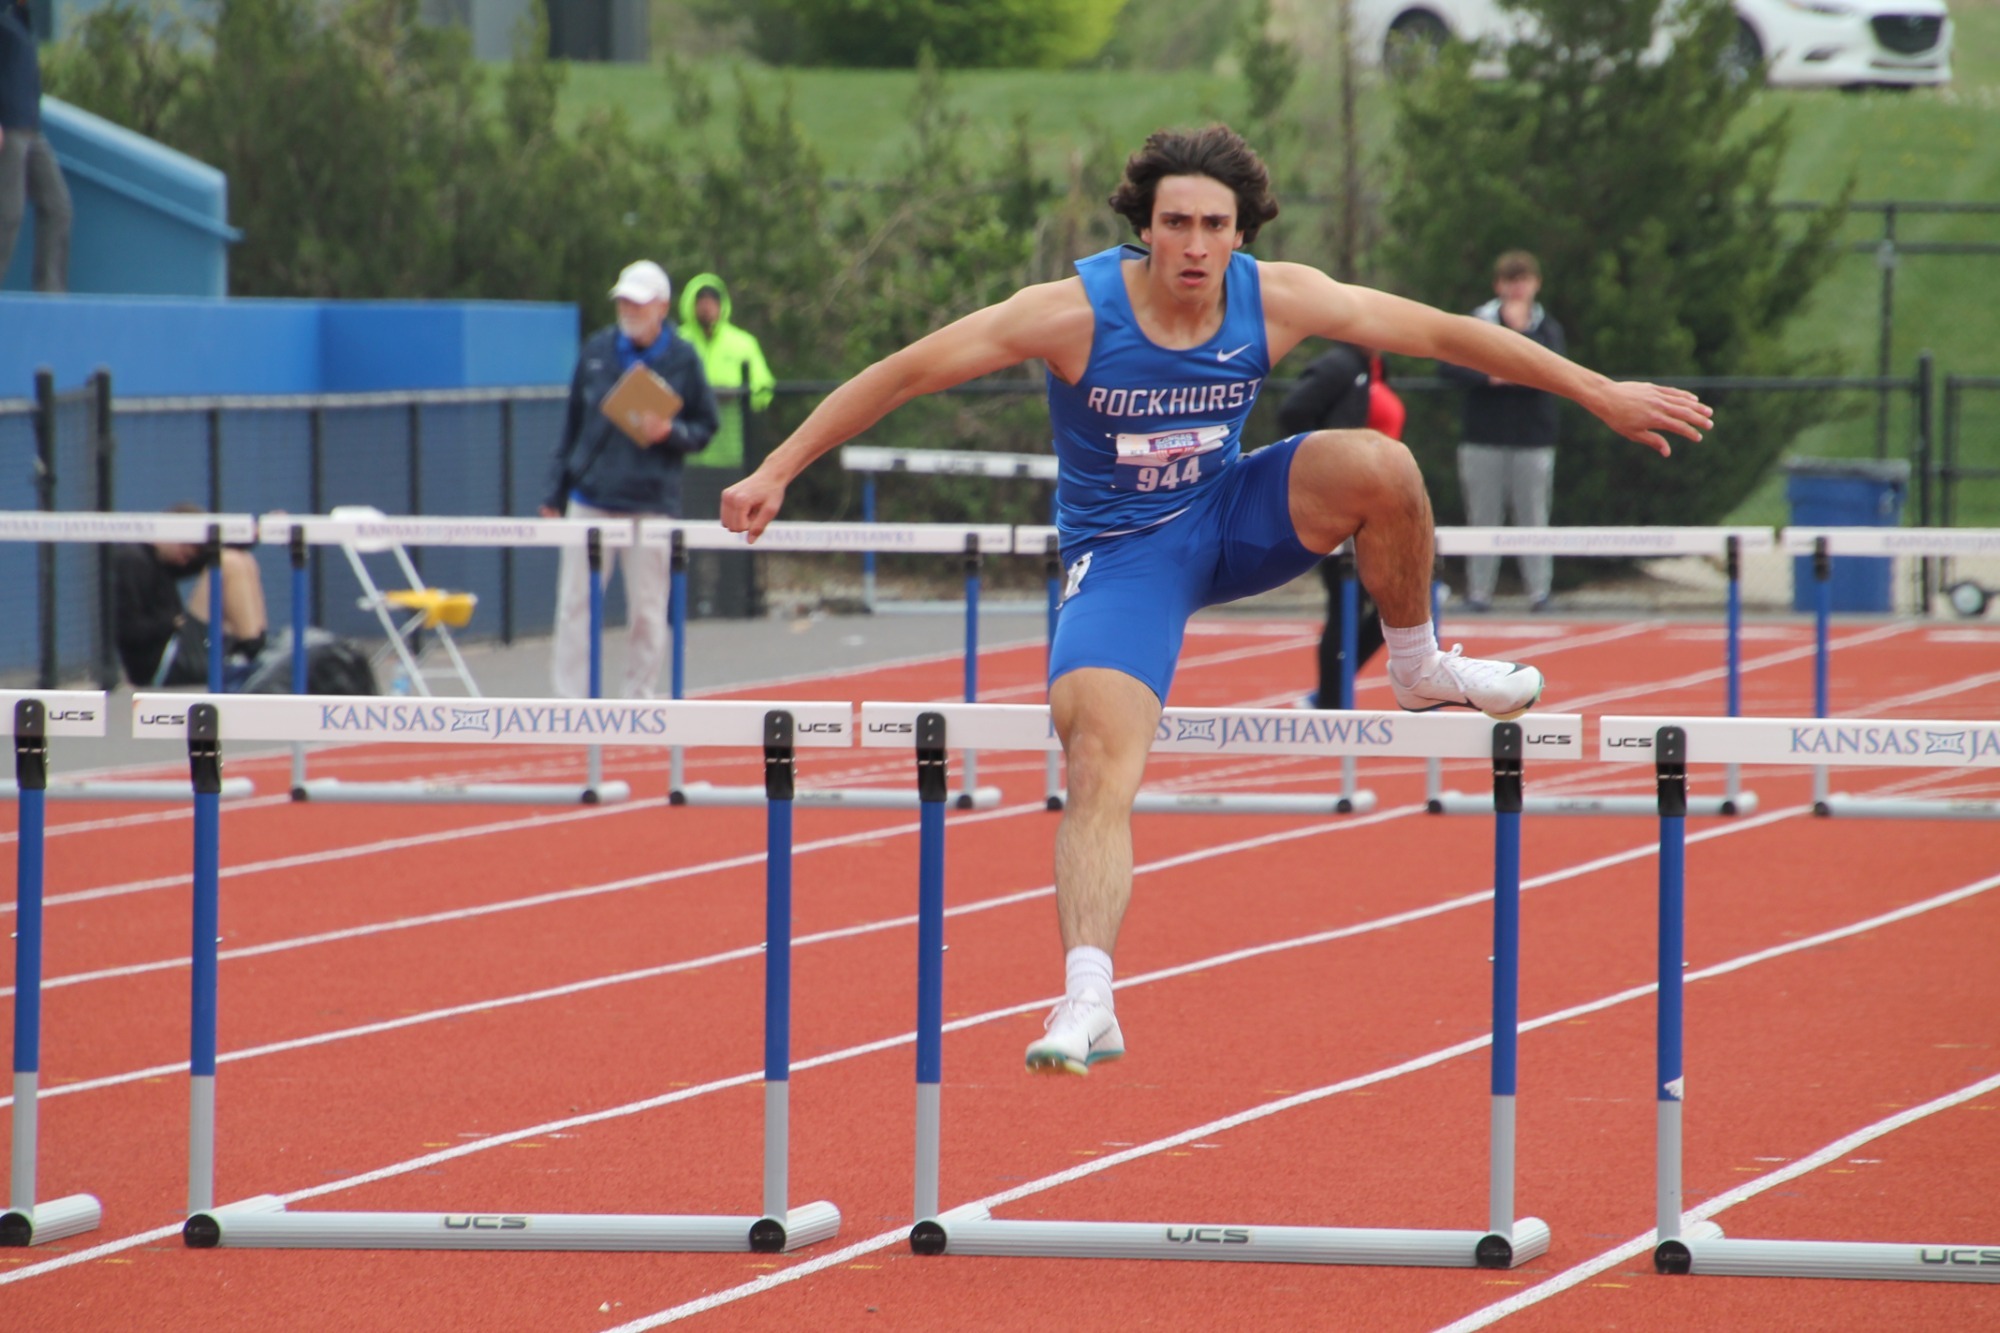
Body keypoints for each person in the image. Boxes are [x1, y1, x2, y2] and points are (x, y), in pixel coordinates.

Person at [720, 126, 1707, 1075]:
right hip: (1124, 556)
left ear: (1242, 232)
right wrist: (776, 467)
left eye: (1214, 226)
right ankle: (1087, 995)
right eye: (1176, 223)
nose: (1194, 246)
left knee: (1380, 463)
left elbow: (1450, 334)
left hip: (1234, 515)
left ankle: (1414, 662)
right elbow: (903, 373)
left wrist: (1595, 392)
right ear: (1143, 225)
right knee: (1097, 750)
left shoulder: (1275, 299)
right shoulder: (1069, 313)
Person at [540, 259, 719, 699]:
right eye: (623, 300)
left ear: (662, 306)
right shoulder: (597, 350)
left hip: (651, 502)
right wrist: (554, 492)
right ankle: (570, 703)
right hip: (591, 497)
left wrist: (669, 433)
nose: (629, 309)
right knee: (574, 605)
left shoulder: (683, 358)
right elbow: (572, 426)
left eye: (638, 302)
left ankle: (638, 700)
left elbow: (705, 426)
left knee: (647, 609)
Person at [1276, 341, 1405, 708]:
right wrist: (1324, 467)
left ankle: (1328, 696)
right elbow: (1294, 411)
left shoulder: (1378, 365)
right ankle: (1330, 702)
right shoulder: (1339, 363)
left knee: (1399, 599)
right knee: (1346, 601)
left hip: (1379, 503)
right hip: (1343, 501)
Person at [1439, 250, 1566, 611]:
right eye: (1510, 281)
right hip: (1482, 438)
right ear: (1498, 285)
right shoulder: (1479, 321)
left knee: (1533, 517)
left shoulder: (1547, 328)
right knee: (1483, 517)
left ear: (1535, 284)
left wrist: (1515, 355)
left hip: (1533, 441)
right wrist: (1488, 376)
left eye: (1523, 281)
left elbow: (1551, 373)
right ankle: (1479, 594)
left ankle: (1539, 593)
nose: (1517, 289)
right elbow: (1448, 367)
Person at [109, 512, 268, 688]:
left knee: (244, 559)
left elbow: (214, 550)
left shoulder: (163, 561)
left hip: (178, 648)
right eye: (189, 545)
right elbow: (128, 631)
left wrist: (259, 531)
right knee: (229, 563)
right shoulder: (131, 560)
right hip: (162, 664)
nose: (191, 554)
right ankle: (252, 654)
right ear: (171, 533)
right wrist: (171, 623)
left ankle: (255, 648)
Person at [0, 0, 71, 293]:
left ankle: (50, 296)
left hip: (31, 129)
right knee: (8, 214)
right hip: (9, 129)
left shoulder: (22, 18)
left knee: (58, 206)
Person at [677, 273, 776, 472]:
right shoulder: (677, 341)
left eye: (713, 301)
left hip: (730, 453)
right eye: (701, 301)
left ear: (722, 305)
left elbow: (765, 388)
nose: (707, 306)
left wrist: (739, 394)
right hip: (685, 453)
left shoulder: (742, 343)